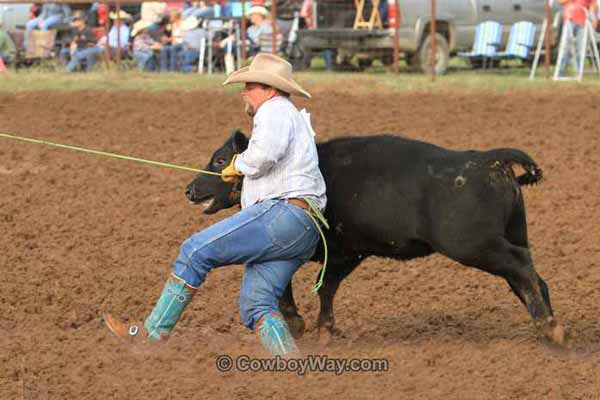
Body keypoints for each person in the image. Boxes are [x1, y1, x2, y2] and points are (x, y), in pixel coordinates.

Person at [104, 53, 327, 357]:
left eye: (250, 85)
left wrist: (238, 164)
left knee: (195, 251)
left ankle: (150, 334)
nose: (244, 92)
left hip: (283, 215)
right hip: (304, 228)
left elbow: (263, 154)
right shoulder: (291, 115)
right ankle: (290, 364)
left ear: (270, 90)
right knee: (257, 304)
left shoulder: (274, 111)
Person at [558, 0, 598, 76]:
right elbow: (560, 2)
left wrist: (595, 18)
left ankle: (578, 73)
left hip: (583, 21)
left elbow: (594, 4)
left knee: (581, 48)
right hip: (569, 19)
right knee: (565, 47)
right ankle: (561, 72)